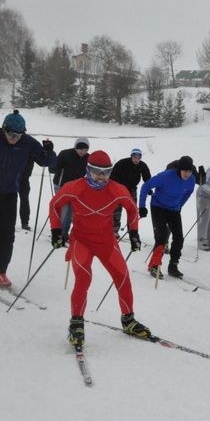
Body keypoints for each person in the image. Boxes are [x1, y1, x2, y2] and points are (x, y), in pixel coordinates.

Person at [49, 150, 150, 351]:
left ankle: (128, 320)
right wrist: (56, 230)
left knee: (123, 277)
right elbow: (55, 205)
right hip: (82, 241)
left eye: (106, 172)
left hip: (106, 242)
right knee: (84, 279)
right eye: (96, 172)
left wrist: (134, 233)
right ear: (88, 169)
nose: (101, 176)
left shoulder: (117, 190)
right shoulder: (75, 187)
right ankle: (76, 323)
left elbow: (131, 209)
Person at [0, 110, 56, 288]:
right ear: (4, 129)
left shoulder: (28, 143)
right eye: (11, 134)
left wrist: (49, 151)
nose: (14, 138)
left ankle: (1, 271)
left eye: (18, 135)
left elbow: (47, 162)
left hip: (9, 194)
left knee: (7, 236)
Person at [138, 156, 197, 279]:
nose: (187, 174)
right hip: (158, 207)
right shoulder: (166, 176)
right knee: (162, 236)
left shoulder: (191, 179)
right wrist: (142, 206)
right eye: (185, 171)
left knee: (179, 238)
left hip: (174, 210)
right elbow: (146, 186)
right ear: (179, 169)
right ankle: (154, 265)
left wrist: (180, 205)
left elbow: (188, 192)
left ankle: (173, 265)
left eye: (189, 171)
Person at [51, 137, 90, 241]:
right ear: (75, 147)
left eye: (85, 150)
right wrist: (57, 164)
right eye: (80, 149)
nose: (82, 151)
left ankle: (66, 229)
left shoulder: (88, 158)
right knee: (66, 209)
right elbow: (53, 168)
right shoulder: (65, 154)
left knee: (75, 210)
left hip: (76, 188)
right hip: (61, 185)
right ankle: (62, 233)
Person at [110, 147, 151, 233]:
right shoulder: (122, 163)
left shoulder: (142, 165)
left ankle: (132, 230)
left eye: (138, 158)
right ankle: (114, 230)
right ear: (131, 156)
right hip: (119, 190)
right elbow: (113, 176)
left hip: (132, 190)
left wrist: (149, 188)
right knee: (117, 210)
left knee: (132, 210)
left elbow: (147, 178)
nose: (136, 160)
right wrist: (116, 188)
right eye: (135, 157)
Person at [18, 157, 34, 231]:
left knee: (24, 201)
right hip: (9, 178)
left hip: (24, 179)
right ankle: (5, 221)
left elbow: (42, 160)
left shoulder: (29, 148)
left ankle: (25, 222)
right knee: (7, 200)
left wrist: (47, 146)